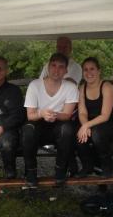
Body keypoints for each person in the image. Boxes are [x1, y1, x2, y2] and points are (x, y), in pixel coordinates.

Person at [22, 52, 79, 187]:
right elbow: (30, 115)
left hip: (58, 123)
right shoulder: (34, 85)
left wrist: (54, 114)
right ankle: (31, 172)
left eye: (61, 67)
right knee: (27, 130)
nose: (56, 70)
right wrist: (42, 113)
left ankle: (60, 171)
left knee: (67, 129)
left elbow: (67, 115)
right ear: (48, 67)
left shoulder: (71, 87)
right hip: (38, 122)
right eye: (53, 65)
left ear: (66, 70)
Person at [77, 57, 113, 178]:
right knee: (78, 134)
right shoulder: (82, 88)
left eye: (92, 69)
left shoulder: (106, 86)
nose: (88, 72)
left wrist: (86, 125)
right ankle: (87, 166)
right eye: (85, 69)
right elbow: (82, 113)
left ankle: (107, 166)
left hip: (111, 122)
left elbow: (105, 115)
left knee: (97, 133)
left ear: (99, 71)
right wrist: (84, 127)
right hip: (91, 122)